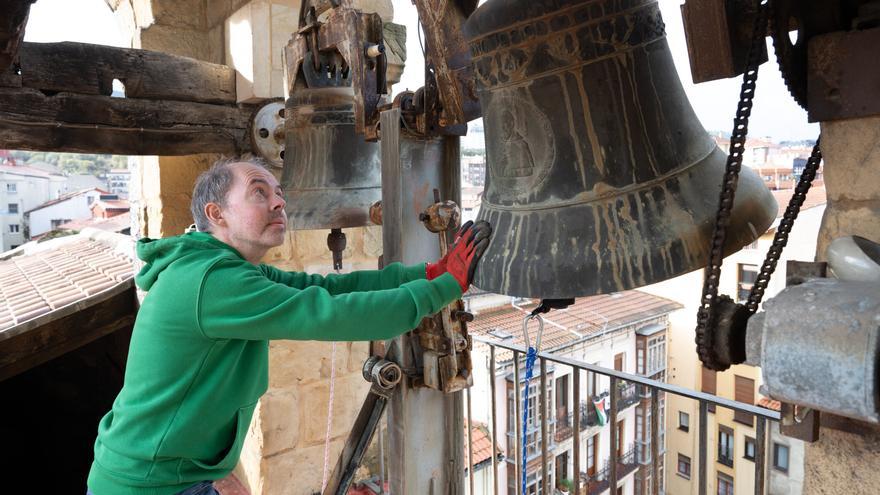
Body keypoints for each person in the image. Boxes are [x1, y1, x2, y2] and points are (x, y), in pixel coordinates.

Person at [86, 157, 492, 495]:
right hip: (150, 485)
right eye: (259, 193)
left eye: (278, 193)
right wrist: (442, 288)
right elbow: (329, 313)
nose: (279, 202)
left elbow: (323, 288)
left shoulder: (222, 269)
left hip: (162, 474)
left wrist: (425, 273)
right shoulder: (213, 281)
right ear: (216, 214)